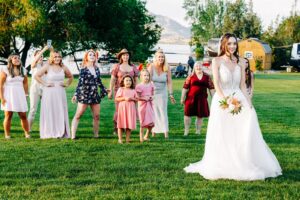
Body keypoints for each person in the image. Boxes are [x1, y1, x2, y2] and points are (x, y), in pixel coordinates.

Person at [184, 33, 282, 180]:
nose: (232, 46)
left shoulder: (241, 61)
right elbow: (217, 84)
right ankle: (224, 162)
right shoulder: (216, 61)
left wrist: (249, 102)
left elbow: (243, 85)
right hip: (222, 100)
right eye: (229, 44)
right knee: (224, 133)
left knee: (242, 131)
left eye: (234, 44)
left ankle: (244, 160)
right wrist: (226, 101)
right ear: (223, 45)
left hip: (239, 98)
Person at [35, 50, 73, 139]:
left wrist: (66, 84)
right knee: (50, 110)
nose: (57, 58)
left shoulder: (63, 67)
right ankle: (49, 131)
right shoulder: (47, 66)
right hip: (49, 92)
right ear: (52, 58)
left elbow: (71, 76)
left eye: (59, 56)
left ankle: (61, 131)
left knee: (60, 110)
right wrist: (45, 84)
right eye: (55, 57)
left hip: (60, 92)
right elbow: (36, 76)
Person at [71, 49, 108, 139]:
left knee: (96, 116)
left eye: (93, 55)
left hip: (94, 95)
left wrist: (105, 89)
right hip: (84, 94)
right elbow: (80, 83)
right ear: (86, 57)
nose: (92, 56)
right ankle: (73, 136)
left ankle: (96, 135)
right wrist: (76, 95)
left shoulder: (97, 69)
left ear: (95, 57)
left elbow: (99, 82)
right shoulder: (83, 69)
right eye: (90, 55)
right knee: (78, 115)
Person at [108, 49, 139, 134]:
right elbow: (112, 80)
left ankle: (127, 127)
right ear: (121, 56)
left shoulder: (133, 67)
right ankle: (117, 127)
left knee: (130, 109)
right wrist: (110, 91)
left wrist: (137, 91)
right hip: (119, 91)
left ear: (129, 56)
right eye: (124, 55)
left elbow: (136, 80)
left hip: (131, 91)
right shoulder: (117, 67)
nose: (126, 57)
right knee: (119, 110)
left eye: (127, 55)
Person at [0, 54, 30, 139]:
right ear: (11, 60)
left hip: (20, 94)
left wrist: (26, 95)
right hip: (9, 94)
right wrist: (2, 97)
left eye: (18, 58)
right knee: (8, 115)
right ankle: (7, 135)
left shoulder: (23, 70)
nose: (17, 59)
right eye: (15, 58)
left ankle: (27, 134)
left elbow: (25, 83)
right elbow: (1, 85)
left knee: (23, 115)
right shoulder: (5, 69)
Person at [180, 61, 215, 136]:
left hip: (202, 99)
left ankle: (198, 131)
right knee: (187, 115)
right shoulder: (190, 76)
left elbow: (211, 88)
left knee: (200, 116)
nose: (198, 67)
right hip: (190, 99)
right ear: (194, 68)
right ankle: (186, 131)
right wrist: (182, 98)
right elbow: (185, 87)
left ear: (202, 67)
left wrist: (214, 99)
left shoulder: (207, 77)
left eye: (199, 66)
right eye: (196, 66)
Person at [148, 49, 175, 139]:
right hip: (153, 92)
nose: (161, 58)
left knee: (163, 112)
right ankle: (153, 132)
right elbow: (147, 80)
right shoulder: (151, 67)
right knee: (154, 112)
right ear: (155, 58)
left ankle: (165, 133)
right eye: (159, 57)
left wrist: (171, 94)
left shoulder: (167, 67)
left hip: (163, 93)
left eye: (162, 57)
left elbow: (170, 81)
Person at [28, 45, 50, 131]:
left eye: (41, 56)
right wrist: (43, 49)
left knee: (47, 109)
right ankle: (28, 129)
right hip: (35, 88)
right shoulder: (33, 65)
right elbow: (34, 61)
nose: (40, 56)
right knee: (33, 109)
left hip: (45, 88)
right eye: (38, 55)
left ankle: (46, 128)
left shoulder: (46, 64)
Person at [115, 75, 138, 144]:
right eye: (126, 80)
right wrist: (124, 98)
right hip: (122, 109)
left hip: (130, 109)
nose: (128, 82)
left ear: (132, 82)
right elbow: (117, 98)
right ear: (123, 82)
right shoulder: (121, 89)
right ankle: (120, 139)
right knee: (121, 124)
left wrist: (132, 98)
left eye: (130, 80)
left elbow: (137, 99)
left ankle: (127, 140)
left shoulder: (133, 90)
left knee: (129, 124)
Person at [136, 69, 155, 143]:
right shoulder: (139, 86)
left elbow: (153, 94)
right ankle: (141, 137)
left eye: (148, 75)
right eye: (145, 75)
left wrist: (152, 97)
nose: (146, 77)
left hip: (150, 105)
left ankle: (146, 135)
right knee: (142, 121)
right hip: (142, 106)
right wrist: (144, 98)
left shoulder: (151, 84)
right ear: (141, 77)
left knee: (151, 121)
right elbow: (137, 97)